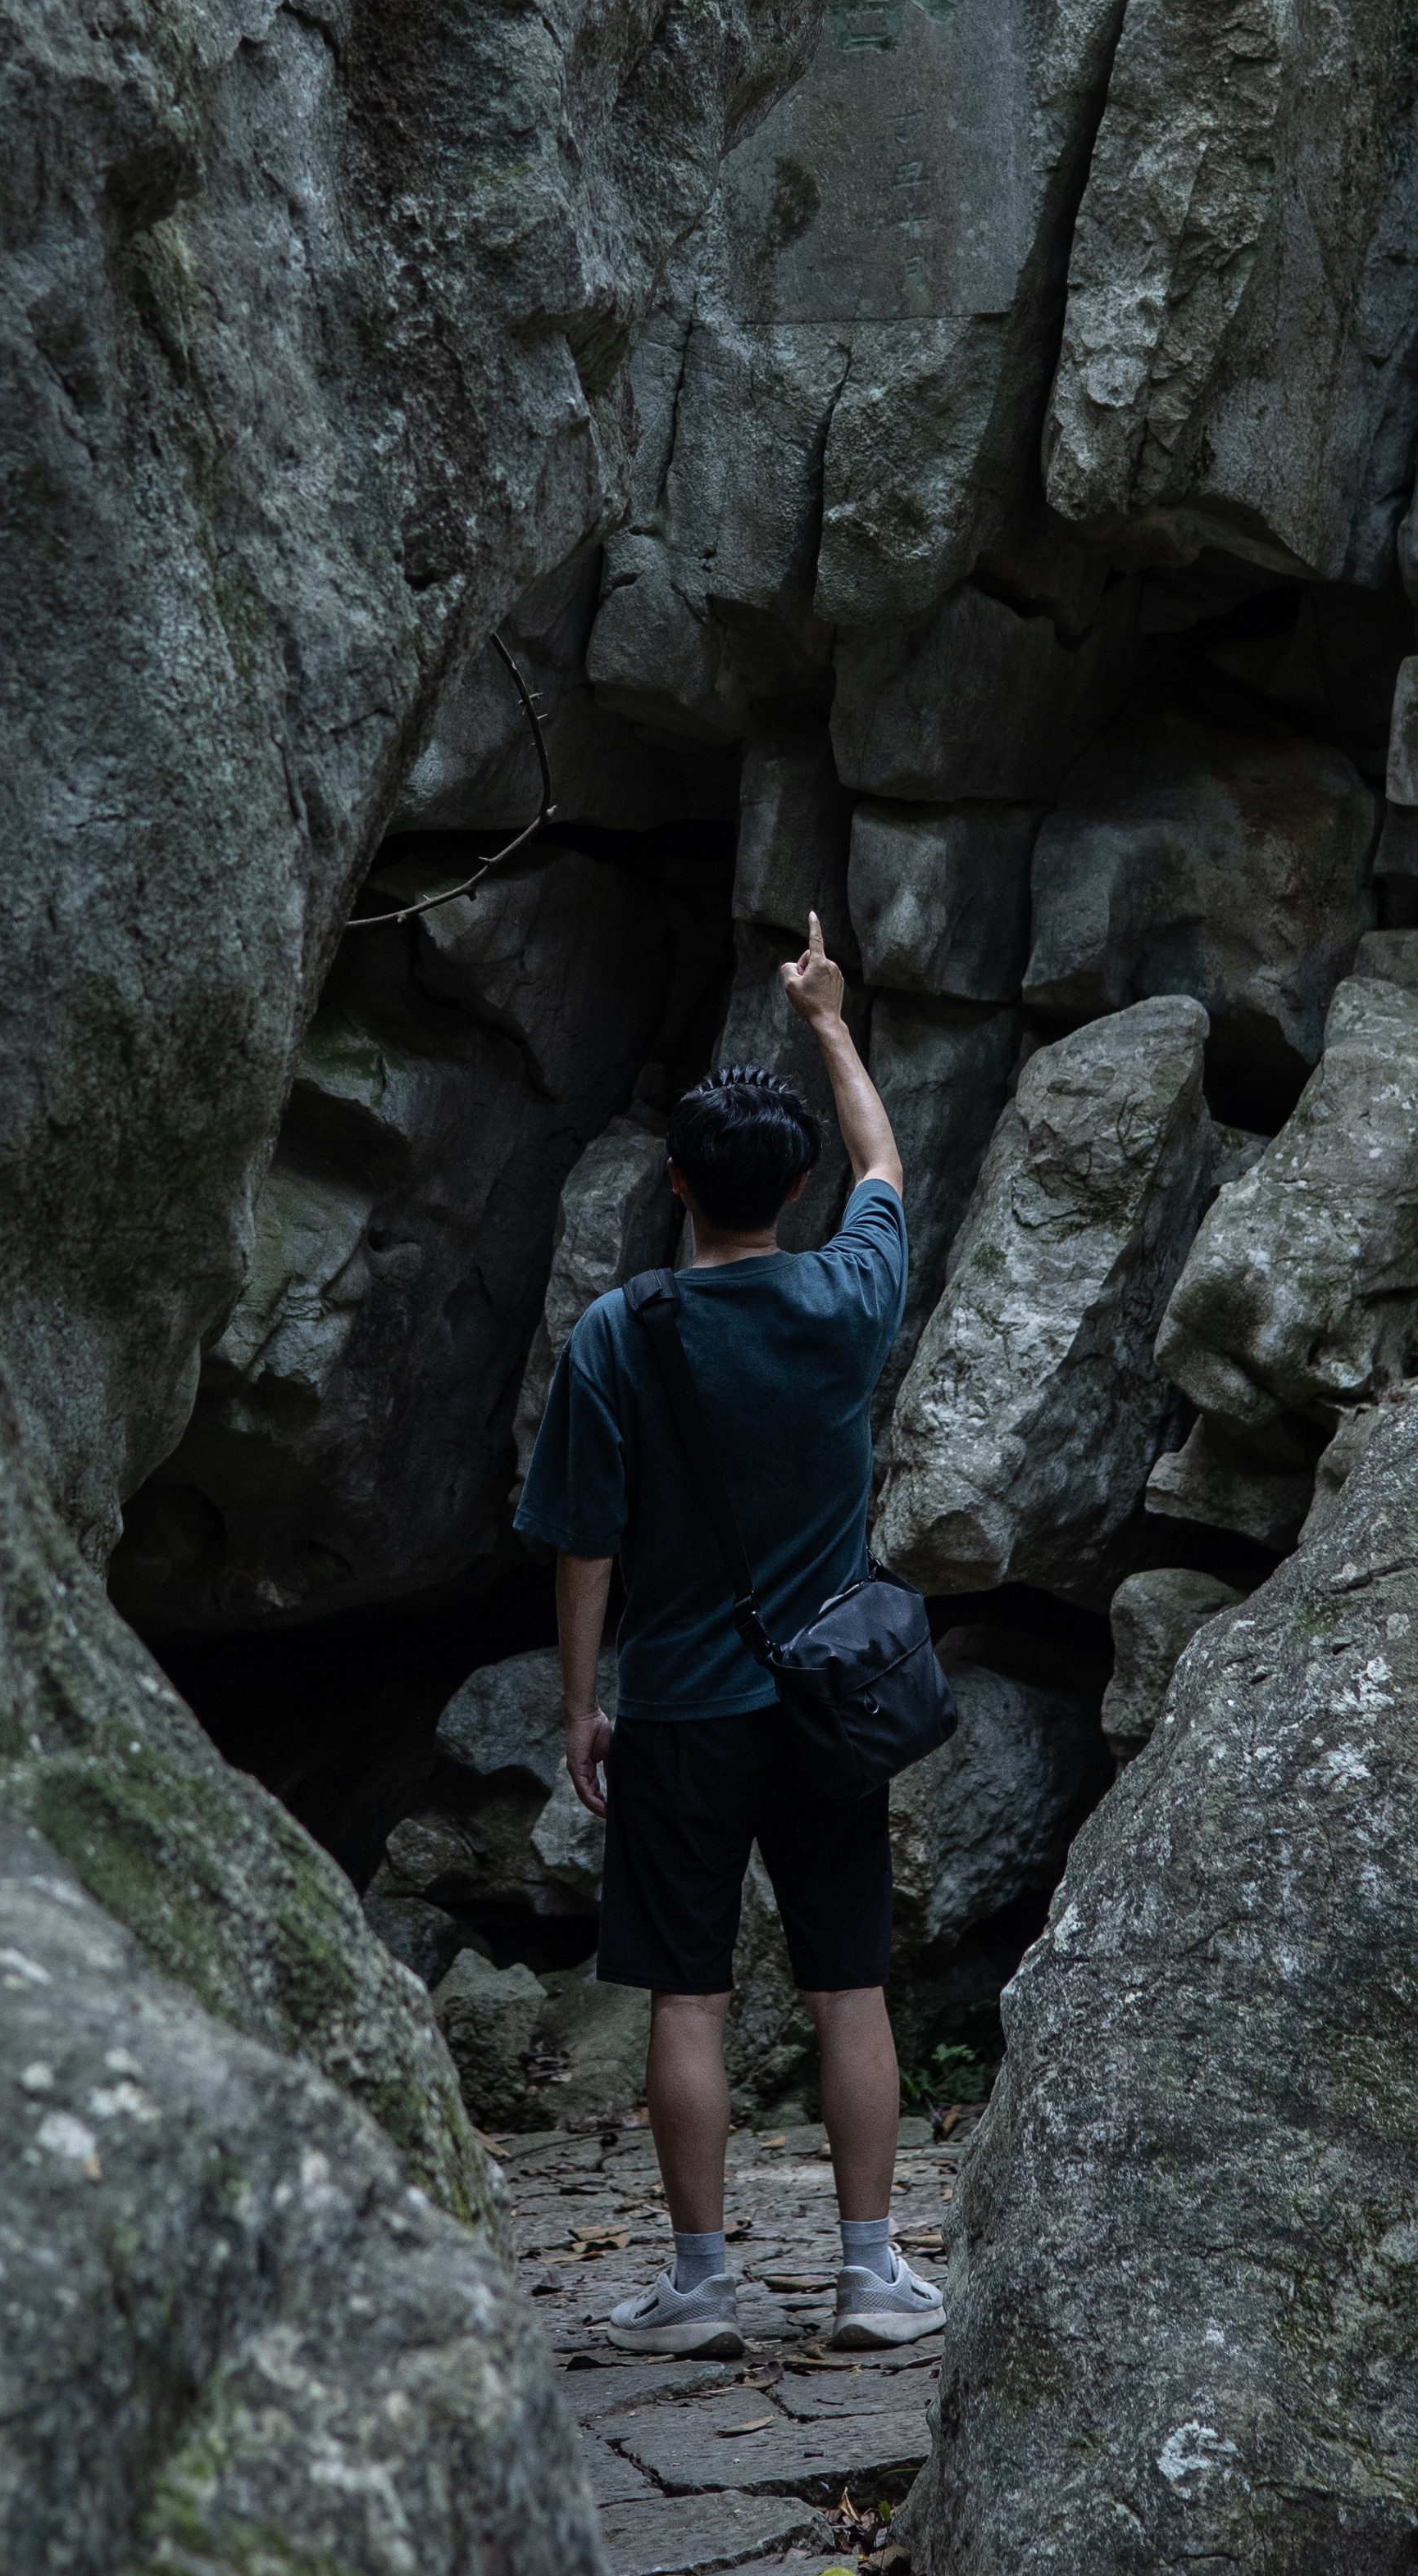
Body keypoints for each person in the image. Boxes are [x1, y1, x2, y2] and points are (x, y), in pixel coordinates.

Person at [514, 911, 940, 2358]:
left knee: (687, 1997)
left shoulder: (621, 1336)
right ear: (796, 1187)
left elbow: (585, 1545)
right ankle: (872, 2276)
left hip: (684, 1712)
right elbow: (889, 1166)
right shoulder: (843, 1294)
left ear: (676, 1184)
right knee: (850, 1984)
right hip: (830, 1712)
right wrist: (824, 1019)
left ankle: (700, 2286)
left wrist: (586, 1705)